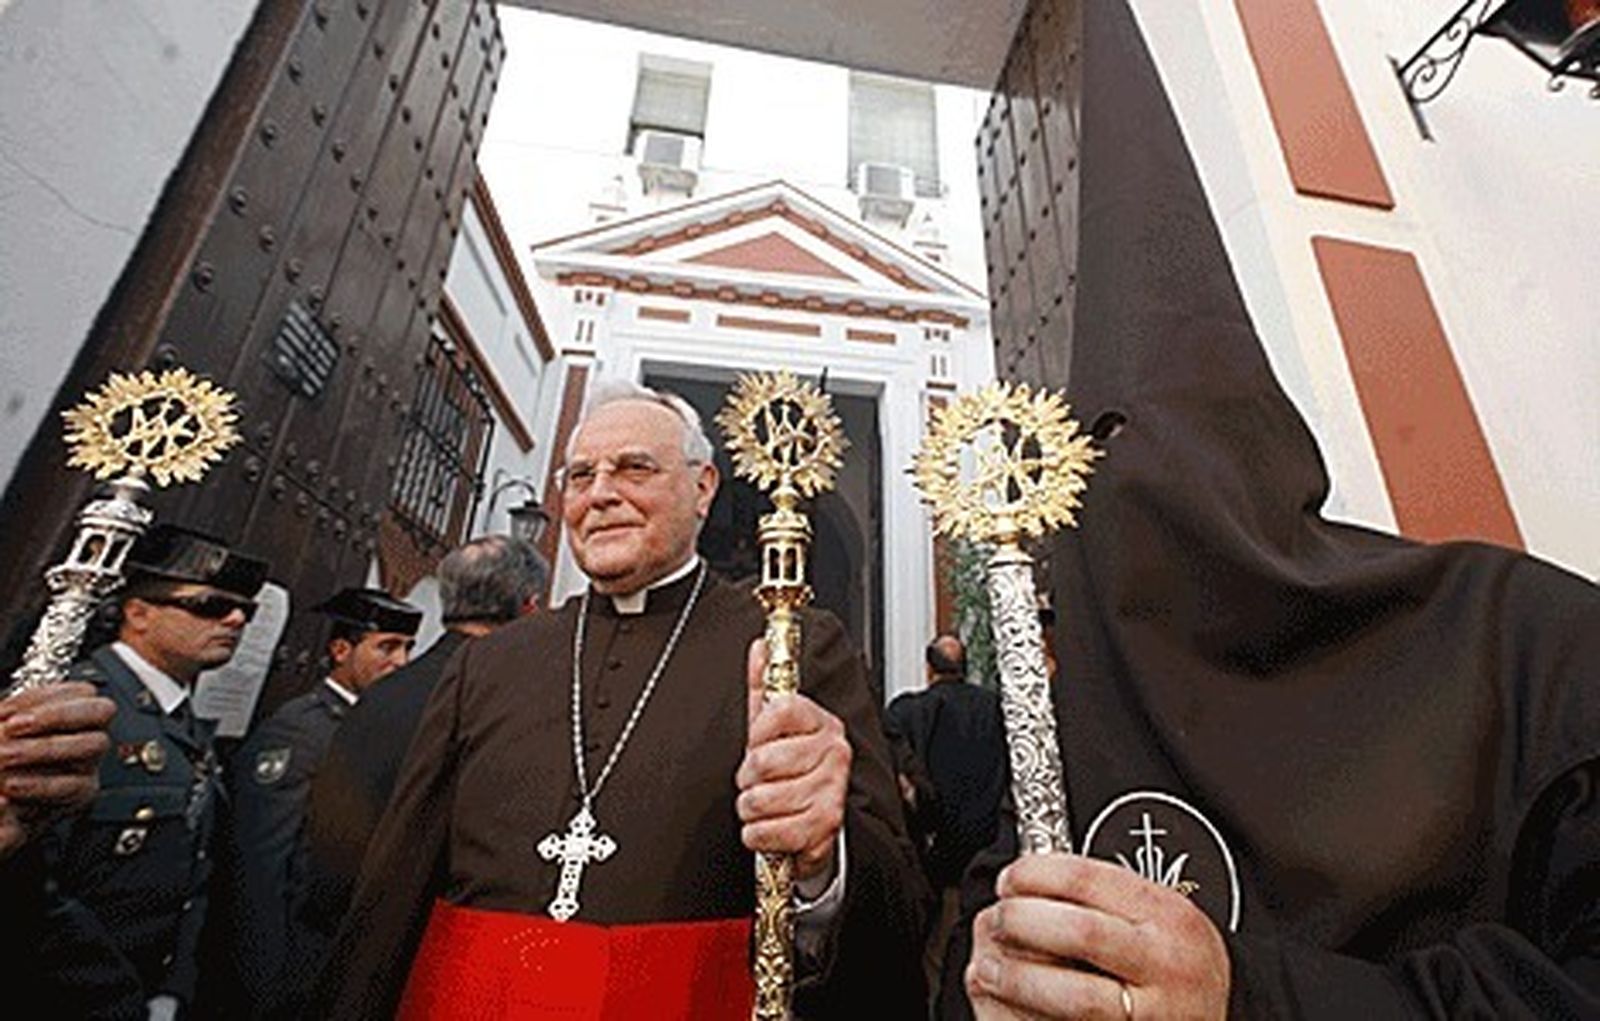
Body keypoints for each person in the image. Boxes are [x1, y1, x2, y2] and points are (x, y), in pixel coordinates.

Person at [948, 3, 1600, 1018]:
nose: (1121, 511)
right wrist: (994, 977)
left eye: (1151, 449)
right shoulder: (1074, 720)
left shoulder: (1534, 653)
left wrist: (1246, 998)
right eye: (1087, 479)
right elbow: (980, 943)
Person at [315, 380, 928, 1019]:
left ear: (703, 487)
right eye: (581, 476)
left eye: (635, 468)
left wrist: (821, 860)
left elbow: (894, 896)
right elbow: (398, 881)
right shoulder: (492, 662)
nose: (602, 493)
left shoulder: (788, 645)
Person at [286, 534, 549, 1005]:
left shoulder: (384, 691)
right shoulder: (506, 705)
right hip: (421, 962)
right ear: (530, 608)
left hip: (330, 944)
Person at [31, 523, 267, 1020]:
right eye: (209, 605)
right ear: (138, 612)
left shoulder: (183, 722)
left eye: (247, 611)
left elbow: (192, 872)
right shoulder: (79, 709)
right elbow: (31, 889)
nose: (235, 620)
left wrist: (172, 989)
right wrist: (118, 1003)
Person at [222, 586, 422, 1017]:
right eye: (387, 647)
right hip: (290, 960)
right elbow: (262, 864)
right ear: (340, 650)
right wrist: (263, 987)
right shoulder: (300, 730)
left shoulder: (372, 724)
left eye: (408, 648)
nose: (401, 662)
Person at [884, 635, 1006, 1009]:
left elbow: (906, 788)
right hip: (992, 867)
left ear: (929, 669)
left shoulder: (908, 714)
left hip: (934, 868)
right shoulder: (998, 711)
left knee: (936, 969)